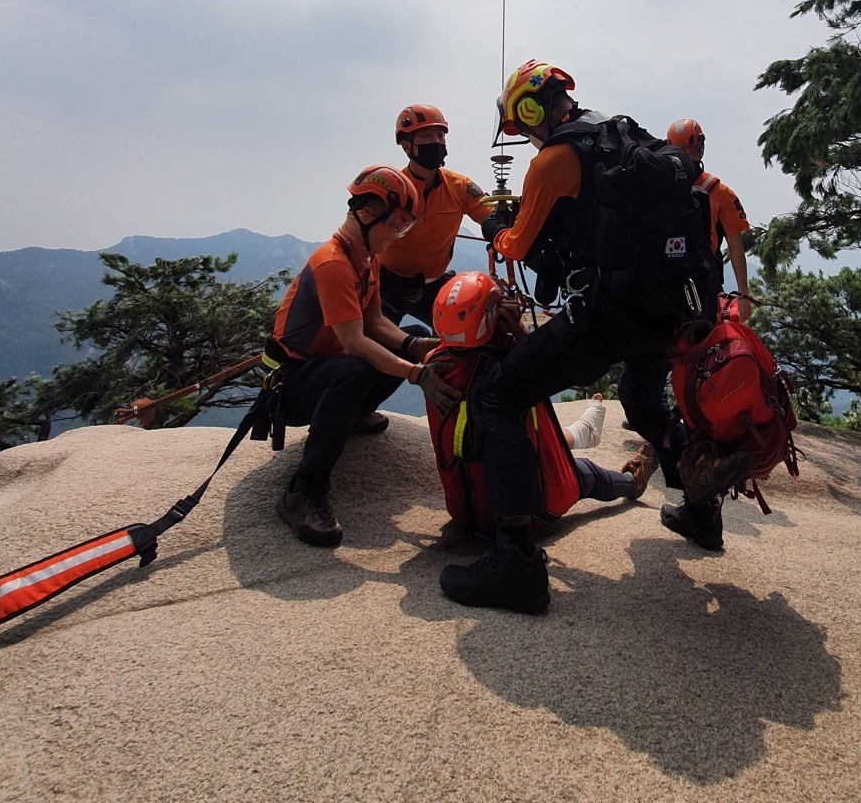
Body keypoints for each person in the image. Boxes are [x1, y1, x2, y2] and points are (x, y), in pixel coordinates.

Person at [438, 61, 751, 614]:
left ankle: (516, 564)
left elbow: (515, 245)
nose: (526, 135)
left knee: (499, 397)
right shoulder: (619, 133)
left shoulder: (553, 158)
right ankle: (702, 514)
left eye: (522, 124)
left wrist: (496, 227)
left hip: (609, 314)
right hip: (668, 309)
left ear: (530, 109)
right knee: (643, 401)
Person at [266, 165, 459, 547]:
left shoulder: (366, 259)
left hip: (323, 369)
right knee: (353, 372)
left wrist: (415, 345)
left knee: (412, 335)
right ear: (367, 215)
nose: (400, 235)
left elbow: (375, 322)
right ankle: (303, 491)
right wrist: (416, 374)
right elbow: (354, 341)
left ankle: (352, 415)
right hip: (293, 385)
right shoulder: (333, 263)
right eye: (397, 225)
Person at [423, 271, 650, 537]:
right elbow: (551, 363)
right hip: (535, 511)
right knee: (586, 474)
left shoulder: (434, 366)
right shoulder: (510, 364)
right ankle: (631, 481)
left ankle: (583, 432)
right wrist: (519, 331)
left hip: (465, 511)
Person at [376, 104, 489, 329]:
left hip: (435, 284)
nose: (436, 142)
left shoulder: (460, 186)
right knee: (374, 340)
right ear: (406, 146)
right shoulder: (391, 188)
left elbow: (489, 214)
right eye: (426, 136)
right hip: (387, 284)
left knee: (470, 330)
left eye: (440, 135)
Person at [666, 117, 753, 322]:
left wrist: (743, 295)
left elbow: (735, 247)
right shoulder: (719, 193)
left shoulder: (662, 188)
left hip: (678, 278)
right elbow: (735, 247)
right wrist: (743, 295)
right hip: (695, 281)